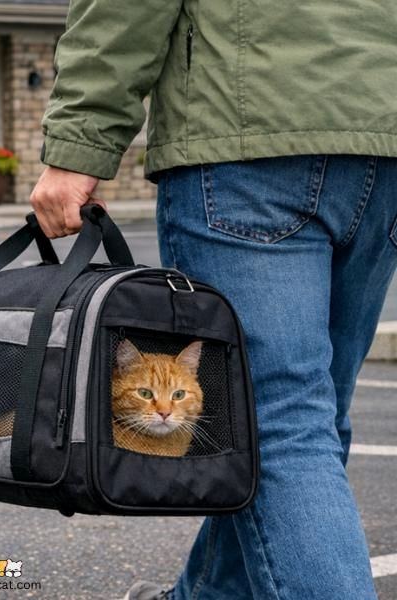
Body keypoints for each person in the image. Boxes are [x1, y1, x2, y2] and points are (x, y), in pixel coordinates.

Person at [30, 1, 397, 598]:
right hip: (384, 143)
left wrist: (77, 146)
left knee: (278, 425)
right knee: (308, 419)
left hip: (249, 139)